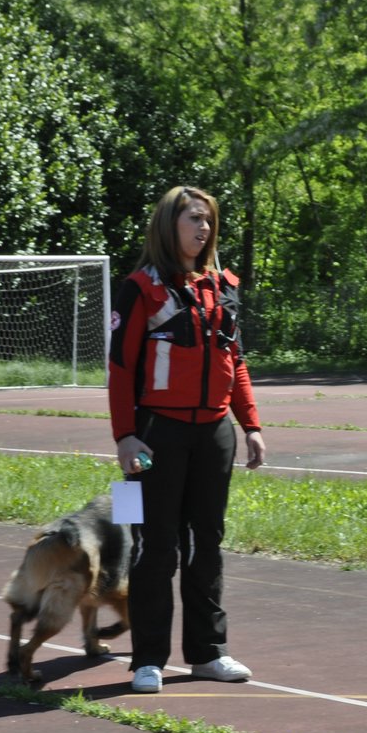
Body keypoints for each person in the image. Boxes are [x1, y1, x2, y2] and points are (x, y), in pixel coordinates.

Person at [108, 186, 267, 694]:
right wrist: (125, 437)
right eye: (193, 219)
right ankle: (147, 659)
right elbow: (119, 368)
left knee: (207, 545)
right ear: (168, 225)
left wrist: (252, 426)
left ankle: (207, 652)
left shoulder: (224, 286)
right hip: (154, 436)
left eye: (208, 220)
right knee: (152, 545)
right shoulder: (138, 288)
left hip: (213, 434)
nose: (203, 228)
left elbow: (235, 362)